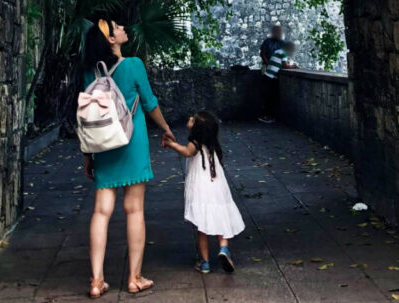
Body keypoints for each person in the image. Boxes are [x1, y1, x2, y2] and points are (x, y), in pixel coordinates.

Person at [81, 18, 175, 298]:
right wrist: (167, 129)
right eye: (117, 27)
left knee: (101, 211)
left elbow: (88, 117)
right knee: (134, 210)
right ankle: (134, 278)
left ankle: (97, 281)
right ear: (111, 39)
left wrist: (88, 155)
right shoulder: (134, 65)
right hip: (131, 143)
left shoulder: (90, 72)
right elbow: (150, 103)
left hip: (102, 146)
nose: (123, 28)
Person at [162, 111, 245, 274]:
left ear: (198, 128)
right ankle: (224, 249)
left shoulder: (195, 141)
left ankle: (205, 263)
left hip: (201, 187)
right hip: (217, 185)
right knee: (220, 216)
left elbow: (187, 152)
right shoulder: (211, 142)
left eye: (193, 119)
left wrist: (171, 145)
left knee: (202, 226)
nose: (189, 118)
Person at [258, 41, 298, 123]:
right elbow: (285, 66)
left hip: (268, 75)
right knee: (271, 98)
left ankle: (266, 116)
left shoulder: (277, 51)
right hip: (271, 77)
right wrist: (294, 66)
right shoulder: (283, 53)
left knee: (269, 97)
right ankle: (265, 117)